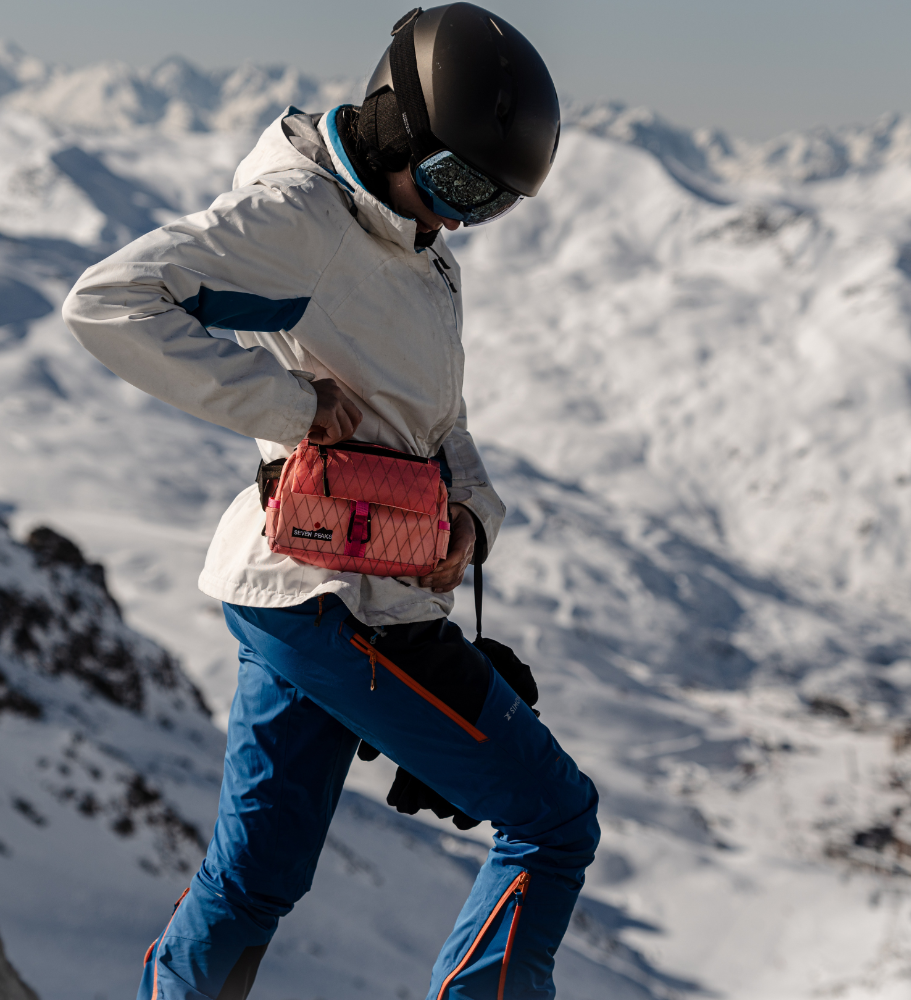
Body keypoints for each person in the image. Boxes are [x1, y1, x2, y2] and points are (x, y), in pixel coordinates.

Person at [63, 5, 599, 998]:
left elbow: (434, 418)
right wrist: (288, 405)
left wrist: (471, 519)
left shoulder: (407, 237)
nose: (460, 218)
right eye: (458, 185)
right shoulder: (300, 224)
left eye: (489, 203)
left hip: (304, 594)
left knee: (255, 876)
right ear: (396, 127)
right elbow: (108, 301)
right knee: (554, 820)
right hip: (340, 602)